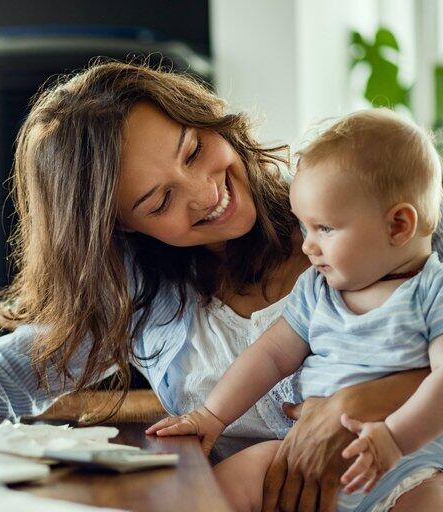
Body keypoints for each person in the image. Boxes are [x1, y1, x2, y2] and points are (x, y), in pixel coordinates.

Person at [0, 61, 443, 510]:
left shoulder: (356, 211)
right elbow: (20, 367)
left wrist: (364, 399)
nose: (204, 192)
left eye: (194, 150)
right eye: (159, 200)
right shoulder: (144, 291)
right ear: (117, 227)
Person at [147, 109, 443, 511]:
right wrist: (211, 416)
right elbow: (269, 356)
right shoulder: (317, 291)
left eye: (324, 229)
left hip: (408, 466)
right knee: (230, 481)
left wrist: (393, 439)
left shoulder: (431, 293)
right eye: (304, 228)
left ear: (398, 227)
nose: (307, 246)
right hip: (297, 453)